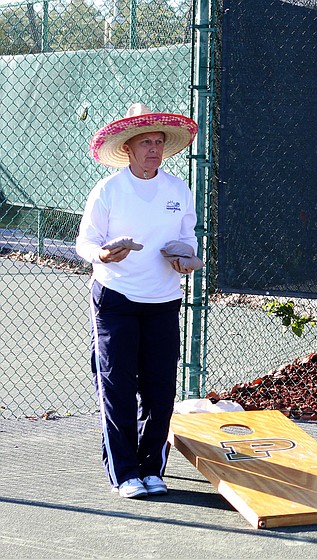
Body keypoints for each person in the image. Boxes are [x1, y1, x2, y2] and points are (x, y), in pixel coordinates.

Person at [76, 103, 200, 499]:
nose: (153, 149)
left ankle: (151, 468)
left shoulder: (178, 189)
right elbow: (86, 242)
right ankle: (125, 472)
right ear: (127, 148)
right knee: (117, 386)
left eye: (159, 142)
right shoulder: (109, 190)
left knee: (161, 389)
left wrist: (184, 260)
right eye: (145, 142)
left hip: (164, 301)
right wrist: (104, 254)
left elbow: (189, 239)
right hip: (116, 299)